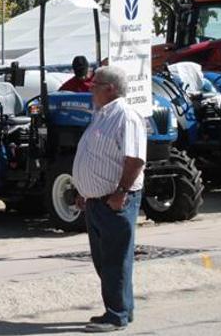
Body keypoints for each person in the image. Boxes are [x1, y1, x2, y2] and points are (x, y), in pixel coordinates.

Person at [72, 66, 146, 333]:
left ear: (110, 88)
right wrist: (85, 191)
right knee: (104, 260)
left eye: (96, 85)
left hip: (115, 201)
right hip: (96, 201)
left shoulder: (126, 116)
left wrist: (121, 192)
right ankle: (122, 308)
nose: (91, 89)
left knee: (115, 259)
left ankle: (116, 315)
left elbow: (135, 159)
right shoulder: (102, 115)